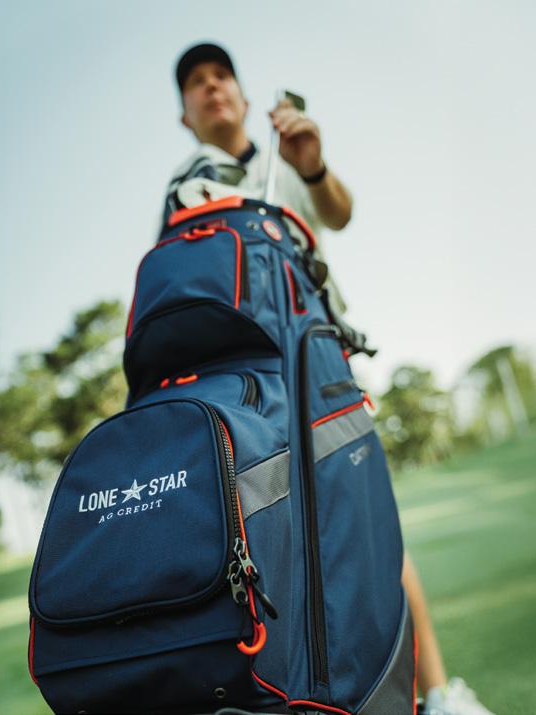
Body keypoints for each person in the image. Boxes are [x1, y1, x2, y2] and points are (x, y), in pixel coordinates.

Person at [165, 42, 495, 715]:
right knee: (271, 544)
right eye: (196, 82)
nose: (211, 87)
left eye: (221, 75)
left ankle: (438, 694)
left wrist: (310, 163)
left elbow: (338, 212)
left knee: (370, 524)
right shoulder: (186, 182)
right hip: (245, 389)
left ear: (244, 97)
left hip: (317, 367)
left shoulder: (282, 160)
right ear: (184, 114)